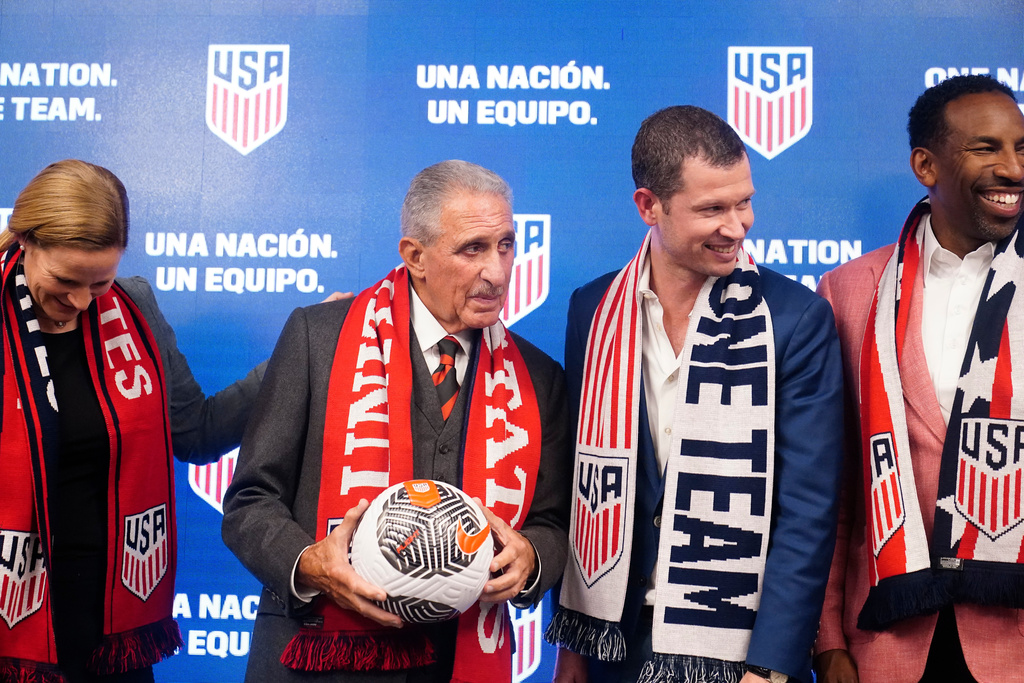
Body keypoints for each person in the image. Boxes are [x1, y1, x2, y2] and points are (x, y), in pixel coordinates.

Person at [221, 159, 571, 683]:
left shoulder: (540, 376)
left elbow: (554, 523)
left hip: (462, 661)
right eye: (473, 248)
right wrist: (309, 562)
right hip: (318, 660)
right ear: (415, 256)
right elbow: (250, 501)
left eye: (506, 245)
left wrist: (531, 558)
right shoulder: (318, 337)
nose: (497, 272)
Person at [546, 105, 844, 683]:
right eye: (712, 209)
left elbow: (808, 513)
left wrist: (772, 667)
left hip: (739, 655)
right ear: (648, 206)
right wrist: (572, 652)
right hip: (614, 647)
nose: (736, 227)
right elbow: (585, 488)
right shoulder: (593, 310)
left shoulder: (796, 318)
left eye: (744, 202)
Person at [0, 160, 265, 682]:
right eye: (65, 281)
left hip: (112, 622)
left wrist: (294, 362)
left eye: (99, 284)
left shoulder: (135, 306)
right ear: (25, 241)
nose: (79, 302)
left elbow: (195, 431)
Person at [813, 75, 1024, 683]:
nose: (1012, 168)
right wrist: (827, 638)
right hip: (885, 645)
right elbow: (832, 489)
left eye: (1021, 148)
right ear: (926, 165)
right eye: (986, 148)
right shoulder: (849, 292)